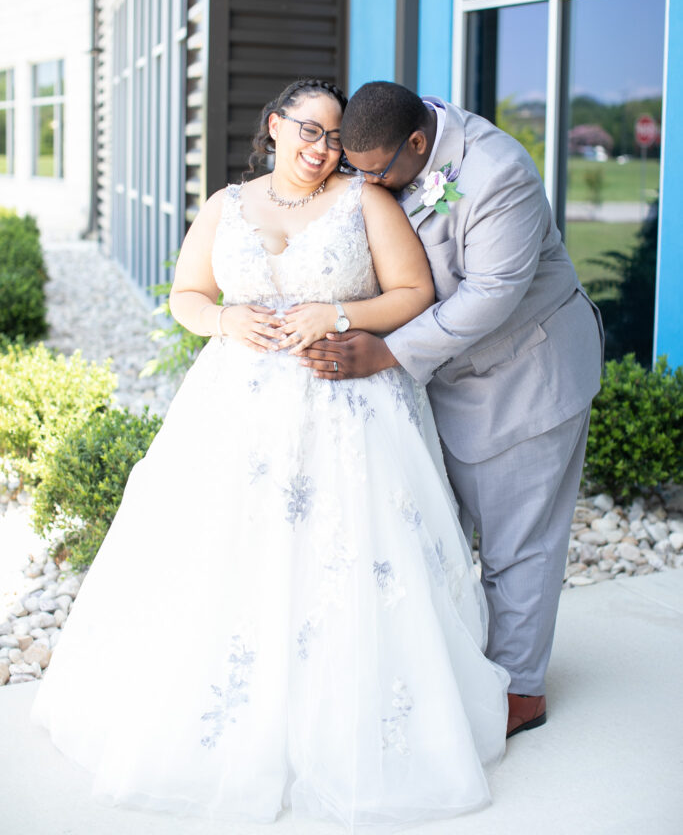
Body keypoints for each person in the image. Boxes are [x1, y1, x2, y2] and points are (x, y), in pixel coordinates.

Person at [31, 78, 509, 829]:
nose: (321, 150)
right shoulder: (227, 205)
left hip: (346, 404)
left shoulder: (366, 202)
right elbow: (186, 294)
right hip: (233, 410)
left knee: (345, 563)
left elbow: (413, 290)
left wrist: (339, 310)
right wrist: (222, 319)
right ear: (274, 126)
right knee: (223, 556)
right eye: (308, 132)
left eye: (332, 138)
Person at [300, 81, 603, 738]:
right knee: (428, 533)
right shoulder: (389, 146)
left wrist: (383, 354)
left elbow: (490, 295)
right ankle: (450, 670)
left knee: (516, 542)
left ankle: (520, 692)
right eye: (354, 169)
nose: (364, 183)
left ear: (417, 144)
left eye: (374, 172)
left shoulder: (497, 176)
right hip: (440, 377)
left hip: (525, 370)